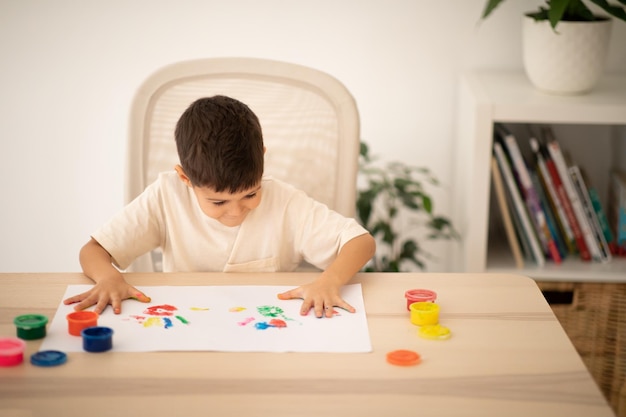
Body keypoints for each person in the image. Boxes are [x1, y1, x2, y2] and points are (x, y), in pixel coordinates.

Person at [64, 95, 376, 318]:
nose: (236, 211)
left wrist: (329, 281)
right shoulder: (166, 195)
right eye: (218, 201)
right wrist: (108, 278)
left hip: (266, 333)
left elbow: (361, 242)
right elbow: (92, 251)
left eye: (250, 195)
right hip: (186, 327)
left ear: (263, 160)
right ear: (185, 177)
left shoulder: (285, 201)